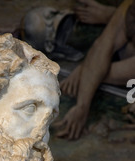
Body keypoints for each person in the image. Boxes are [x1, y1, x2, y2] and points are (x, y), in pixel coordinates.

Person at [56, 0, 135, 140]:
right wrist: (81, 106)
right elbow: (102, 46)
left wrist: (85, 70)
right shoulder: (129, 9)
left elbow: (126, 71)